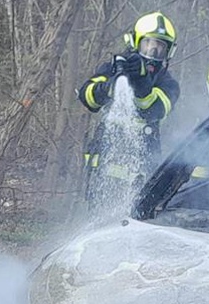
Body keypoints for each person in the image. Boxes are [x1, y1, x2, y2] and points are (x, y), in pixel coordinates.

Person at [77, 12, 180, 197]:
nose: (153, 55)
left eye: (160, 49)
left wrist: (142, 85)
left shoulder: (168, 84)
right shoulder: (112, 69)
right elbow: (87, 97)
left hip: (142, 178)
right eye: (148, 46)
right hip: (104, 175)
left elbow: (155, 110)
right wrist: (109, 87)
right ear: (134, 43)